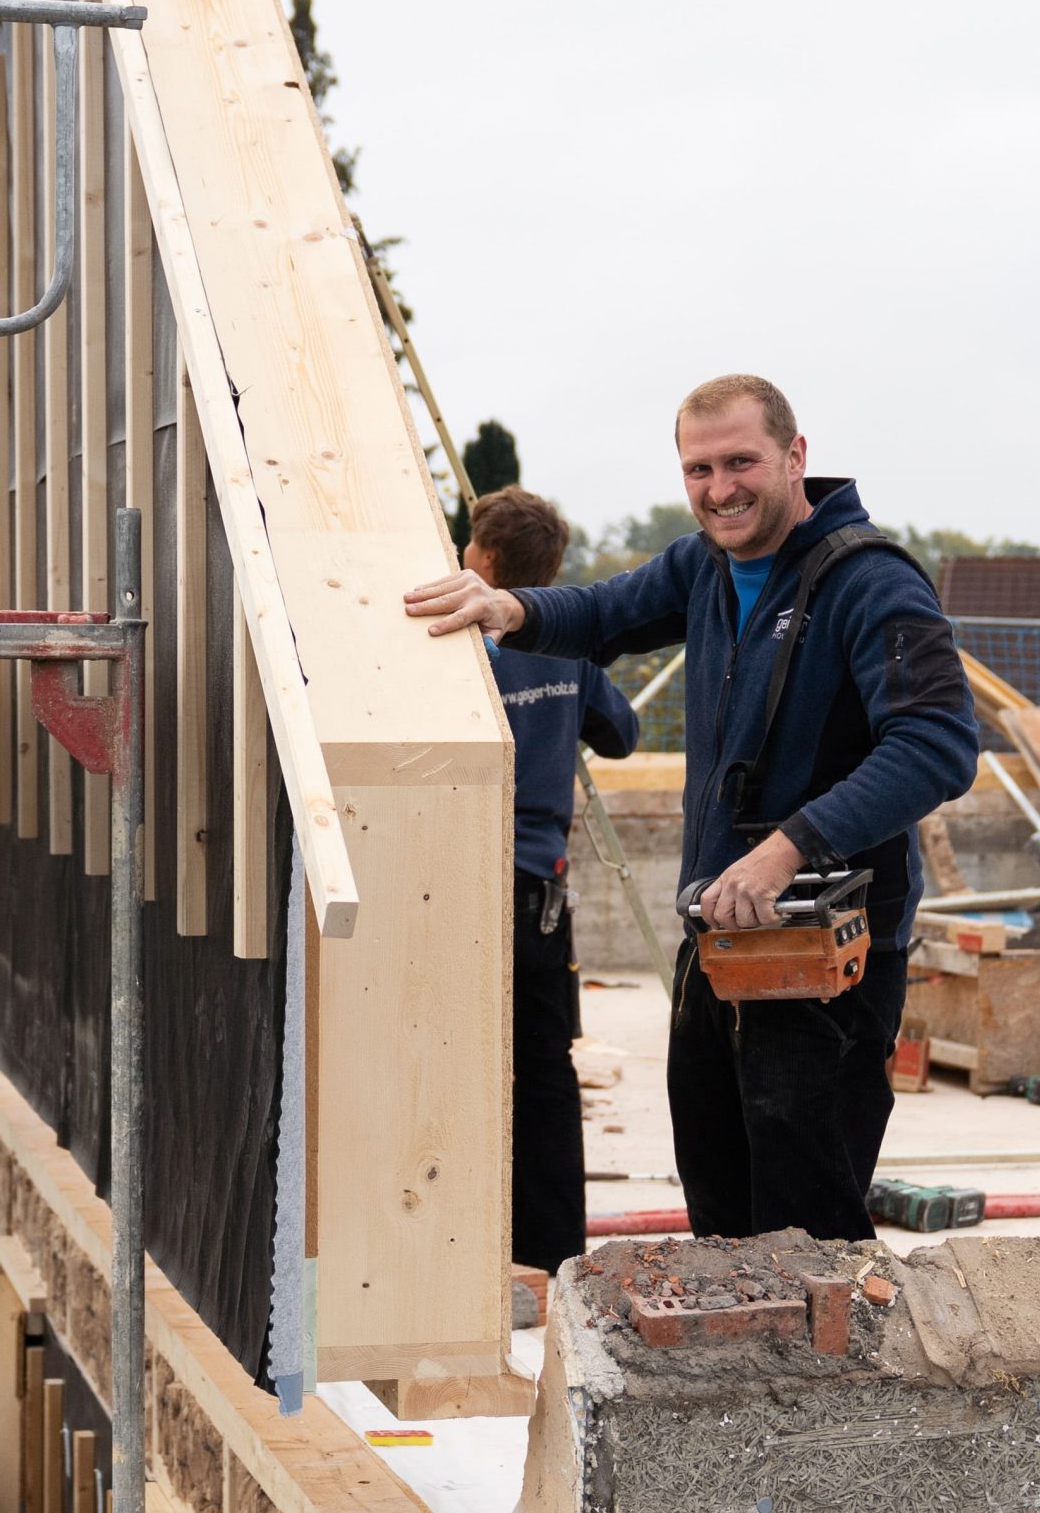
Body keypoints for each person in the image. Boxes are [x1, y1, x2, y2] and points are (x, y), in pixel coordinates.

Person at [405, 376, 979, 1241]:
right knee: (722, 1221)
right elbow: (603, 612)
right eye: (698, 469)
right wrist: (509, 607)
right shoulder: (705, 566)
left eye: (741, 461)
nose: (721, 489)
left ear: (796, 457)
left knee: (806, 1236)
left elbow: (938, 744)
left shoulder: (872, 584)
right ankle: (746, 1375)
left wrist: (790, 846)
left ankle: (825, 1377)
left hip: (828, 959)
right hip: (721, 940)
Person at [462, 487, 641, 1274]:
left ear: (489, 561)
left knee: (459, 1063)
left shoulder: (461, 643)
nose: (462, 560)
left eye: (470, 548)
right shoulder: (570, 652)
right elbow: (625, 735)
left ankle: (468, 1248)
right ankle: (553, 1250)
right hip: (540, 895)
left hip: (463, 887)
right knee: (544, 1071)